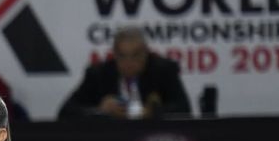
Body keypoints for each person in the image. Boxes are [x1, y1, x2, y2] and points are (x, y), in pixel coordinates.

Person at [58, 27, 192, 118]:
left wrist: (153, 112)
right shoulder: (97, 74)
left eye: (136, 55)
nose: (129, 63)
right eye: (122, 56)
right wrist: (100, 111)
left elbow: (184, 108)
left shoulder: (163, 70)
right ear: (114, 55)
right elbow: (65, 112)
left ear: (146, 53)